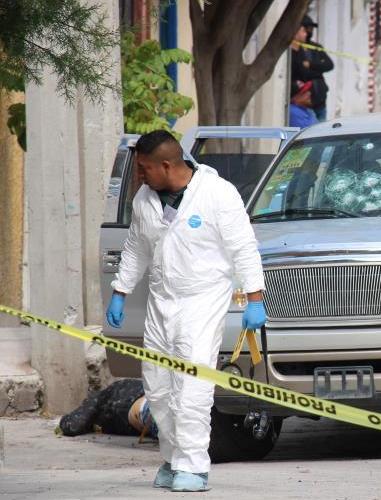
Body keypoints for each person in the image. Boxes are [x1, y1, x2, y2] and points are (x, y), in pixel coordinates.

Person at [105, 130, 266, 492]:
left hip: (202, 302)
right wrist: (120, 291)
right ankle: (172, 459)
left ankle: (194, 466)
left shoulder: (217, 194)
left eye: (145, 168)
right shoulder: (146, 199)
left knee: (191, 388)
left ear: (166, 165)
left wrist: (255, 299)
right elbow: (135, 249)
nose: (140, 175)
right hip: (161, 304)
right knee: (159, 389)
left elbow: (243, 248)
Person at [301, 15, 334, 121]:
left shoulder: (316, 47)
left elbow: (329, 65)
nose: (310, 31)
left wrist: (311, 65)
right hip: (304, 97)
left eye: (312, 29)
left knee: (321, 127)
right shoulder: (296, 48)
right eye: (308, 28)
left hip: (319, 95)